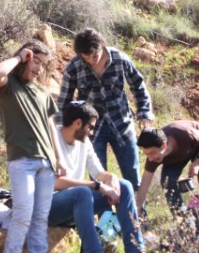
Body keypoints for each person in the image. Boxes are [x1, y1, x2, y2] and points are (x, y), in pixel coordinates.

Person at [47, 102, 158, 253]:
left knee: (124, 185)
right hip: (51, 204)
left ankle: (135, 252)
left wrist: (110, 177)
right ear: (77, 123)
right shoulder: (52, 140)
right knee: (82, 192)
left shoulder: (84, 142)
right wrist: (97, 186)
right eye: (90, 127)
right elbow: (55, 183)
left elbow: (98, 171)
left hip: (78, 201)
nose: (91, 132)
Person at [0, 40, 66, 253]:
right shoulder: (9, 85)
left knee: (40, 218)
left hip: (45, 163)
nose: (39, 69)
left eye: (43, 65)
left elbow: (51, 127)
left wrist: (59, 158)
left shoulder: (43, 93)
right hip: (22, 160)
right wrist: (20, 56)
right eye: (36, 62)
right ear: (25, 58)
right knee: (22, 214)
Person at [57, 28, 154, 206]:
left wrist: (144, 112)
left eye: (94, 56)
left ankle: (139, 223)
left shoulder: (120, 59)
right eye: (86, 58)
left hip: (122, 124)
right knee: (99, 180)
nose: (90, 61)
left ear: (101, 45)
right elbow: (64, 102)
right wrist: (60, 135)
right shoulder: (74, 67)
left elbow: (138, 86)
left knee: (133, 177)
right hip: (92, 130)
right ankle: (106, 228)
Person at [134, 121, 199, 219]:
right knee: (167, 183)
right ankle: (183, 218)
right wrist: (135, 214)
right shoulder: (153, 158)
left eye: (152, 153)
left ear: (164, 145)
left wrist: (198, 161)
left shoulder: (184, 133)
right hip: (177, 156)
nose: (151, 158)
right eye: (147, 154)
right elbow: (144, 187)